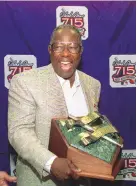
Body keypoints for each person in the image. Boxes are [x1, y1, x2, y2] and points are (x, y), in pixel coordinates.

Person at [8, 24, 101, 186]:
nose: (65, 53)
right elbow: (19, 132)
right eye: (59, 47)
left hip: (83, 180)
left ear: (81, 51)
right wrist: (51, 163)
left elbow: (91, 130)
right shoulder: (25, 82)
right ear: (50, 50)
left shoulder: (92, 85)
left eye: (72, 47)